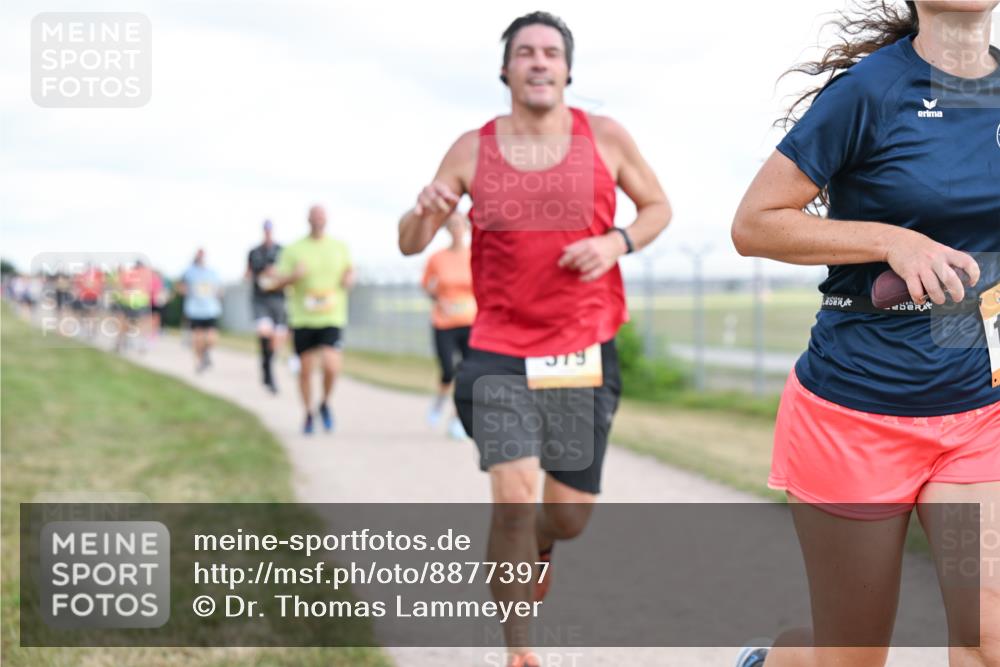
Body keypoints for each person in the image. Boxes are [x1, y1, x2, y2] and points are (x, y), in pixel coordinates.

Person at [398, 11, 671, 666]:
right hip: (498, 347)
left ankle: (546, 544)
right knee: (514, 494)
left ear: (568, 70)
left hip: (582, 344)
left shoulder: (605, 137)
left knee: (567, 515)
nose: (540, 62)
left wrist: (617, 240)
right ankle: (521, 648)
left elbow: (658, 208)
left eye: (551, 52)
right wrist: (425, 211)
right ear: (506, 69)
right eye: (526, 53)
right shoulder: (471, 148)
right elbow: (410, 242)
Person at [731, 2, 999, 666]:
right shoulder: (869, 92)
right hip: (856, 416)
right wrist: (891, 242)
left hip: (977, 415)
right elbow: (755, 223)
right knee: (847, 659)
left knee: (987, 635)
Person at [273, 205, 354, 435]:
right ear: (308, 219)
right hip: (303, 318)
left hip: (332, 316)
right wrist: (293, 276)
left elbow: (350, 271)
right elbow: (277, 282)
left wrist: (349, 278)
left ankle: (325, 403)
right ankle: (308, 413)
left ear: (326, 220)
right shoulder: (294, 249)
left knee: (331, 366)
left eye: (322, 216)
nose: (318, 220)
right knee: (306, 371)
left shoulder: (339, 247)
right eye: (314, 216)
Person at [421, 212, 476, 437]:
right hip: (444, 322)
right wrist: (437, 298)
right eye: (452, 225)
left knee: (467, 372)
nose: (456, 229)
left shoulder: (475, 255)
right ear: (446, 229)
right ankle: (439, 401)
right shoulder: (437, 258)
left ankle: (457, 419)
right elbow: (426, 285)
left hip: (470, 320)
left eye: (460, 225)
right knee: (447, 370)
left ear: (467, 228)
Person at [247, 219, 288, 394]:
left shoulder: (282, 251)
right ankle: (268, 372)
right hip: (260, 299)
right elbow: (248, 272)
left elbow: (288, 272)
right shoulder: (254, 252)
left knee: (276, 339)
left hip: (278, 299)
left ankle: (267, 363)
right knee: (265, 332)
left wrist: (277, 274)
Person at [178, 249, 223, 372]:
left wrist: (218, 294)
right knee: (197, 339)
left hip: (210, 309)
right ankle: (199, 362)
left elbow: (219, 289)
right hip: (194, 310)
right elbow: (180, 287)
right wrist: (186, 291)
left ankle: (206, 353)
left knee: (211, 339)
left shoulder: (212, 272)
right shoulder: (189, 272)